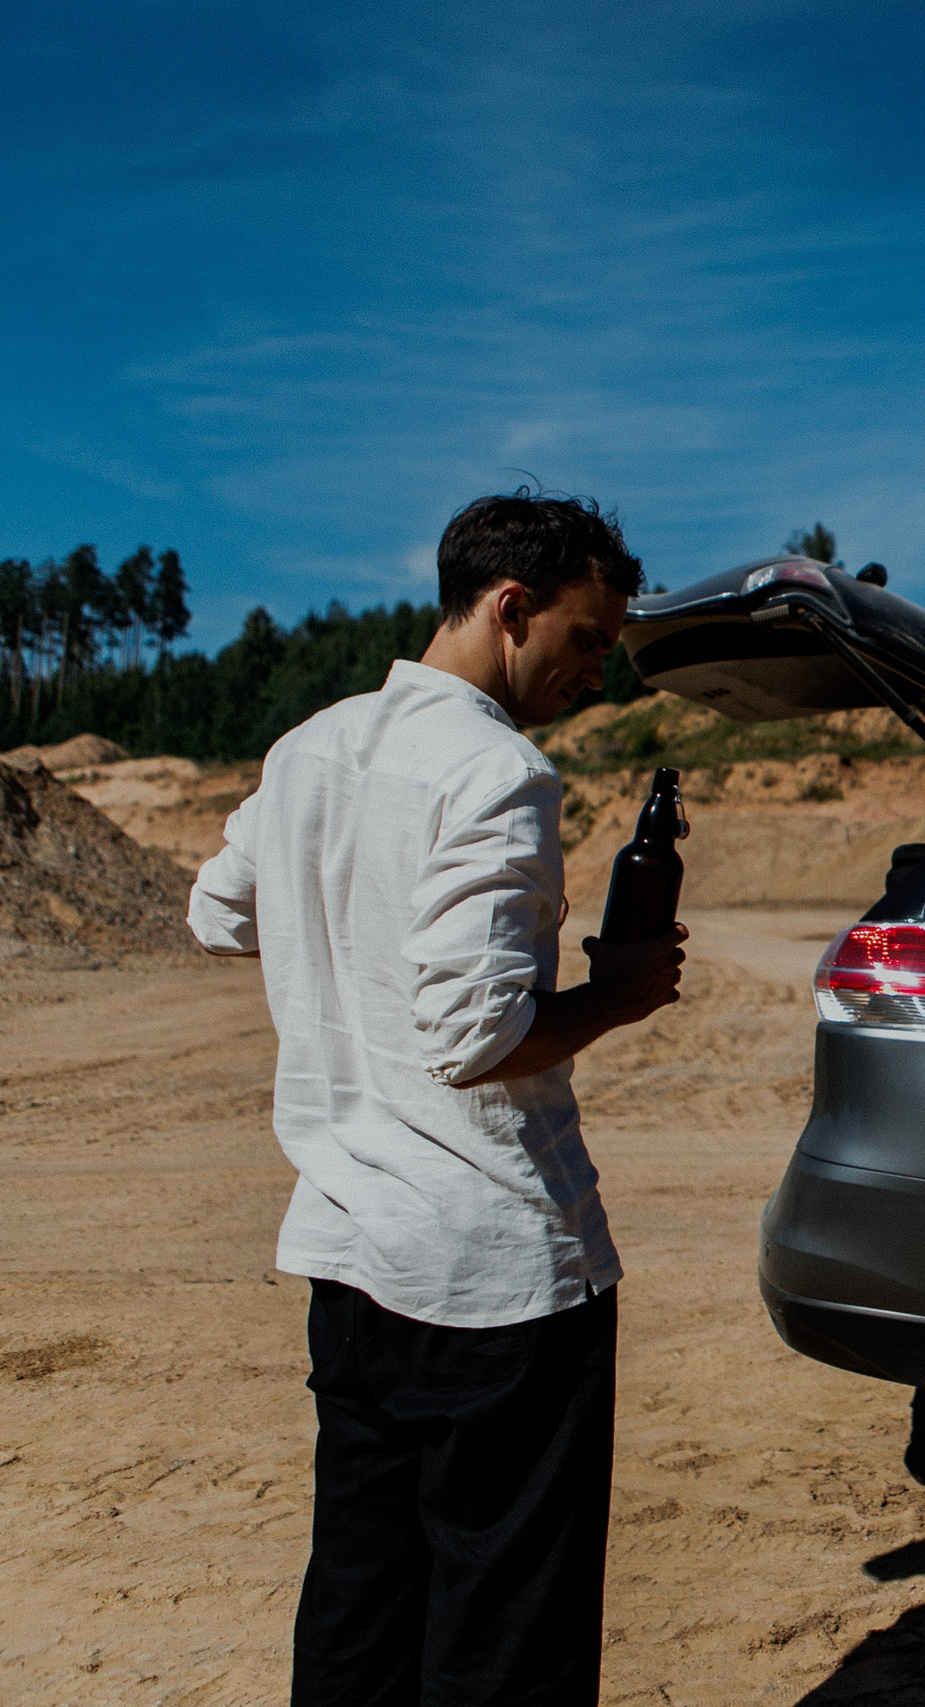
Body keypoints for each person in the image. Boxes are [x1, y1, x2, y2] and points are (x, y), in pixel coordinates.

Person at [187, 490, 686, 1707]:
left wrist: (346, 935)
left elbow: (216, 912)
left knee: (363, 1598)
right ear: (511, 608)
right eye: (585, 638)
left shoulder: (312, 745)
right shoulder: (499, 771)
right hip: (491, 1275)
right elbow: (473, 1039)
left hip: (350, 1252)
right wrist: (612, 997)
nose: (594, 672)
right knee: (506, 1626)